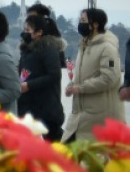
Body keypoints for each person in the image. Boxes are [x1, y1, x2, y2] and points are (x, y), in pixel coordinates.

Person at [62, 8, 125, 142]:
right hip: (81, 115)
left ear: (95, 24)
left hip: (100, 117)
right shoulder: (84, 47)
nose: (80, 23)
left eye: (83, 21)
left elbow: (110, 77)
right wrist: (72, 86)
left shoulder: (107, 48)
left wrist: (81, 88)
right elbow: (82, 76)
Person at [18, 14, 66, 141]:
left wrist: (29, 85)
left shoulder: (48, 48)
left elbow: (54, 75)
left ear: (39, 32)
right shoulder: (27, 50)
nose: (25, 33)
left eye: (28, 30)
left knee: (53, 145)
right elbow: (22, 72)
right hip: (28, 106)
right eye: (25, 30)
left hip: (46, 108)